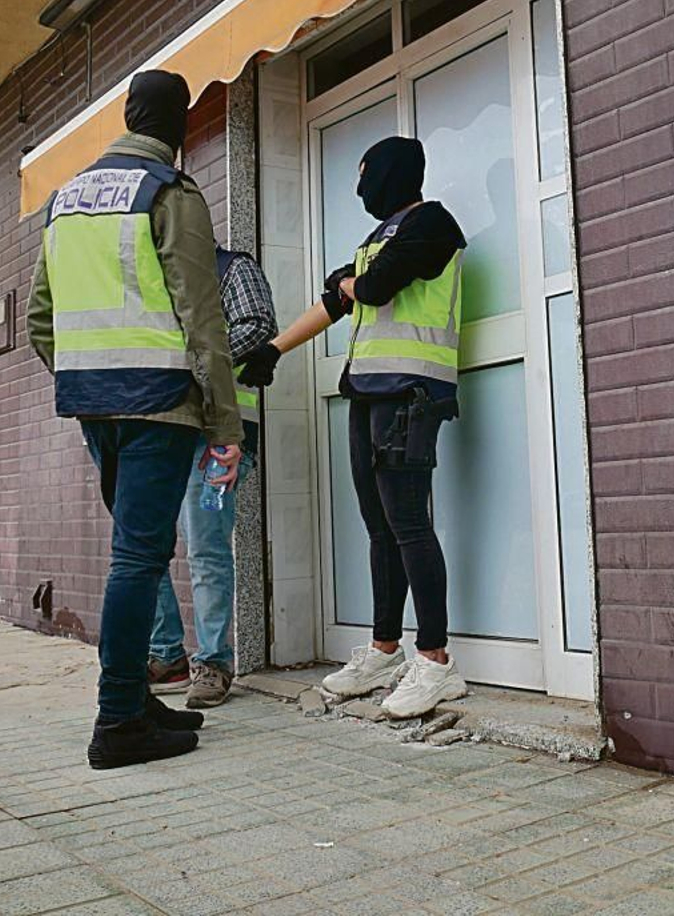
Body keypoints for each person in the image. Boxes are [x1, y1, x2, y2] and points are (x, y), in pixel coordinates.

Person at [27, 69, 243, 769]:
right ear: (177, 130)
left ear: (127, 116)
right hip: (160, 403)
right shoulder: (169, 193)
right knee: (138, 558)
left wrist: (89, 374)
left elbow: (39, 317)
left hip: (96, 406)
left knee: (137, 550)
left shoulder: (66, 198)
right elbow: (201, 313)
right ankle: (118, 718)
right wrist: (226, 424)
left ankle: (137, 699)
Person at [243, 136, 467, 718]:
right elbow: (336, 302)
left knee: (410, 525)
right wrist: (273, 348)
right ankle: (385, 650)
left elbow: (369, 289)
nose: (360, 190)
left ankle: (437, 661)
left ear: (391, 175)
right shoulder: (378, 238)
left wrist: (349, 283)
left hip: (412, 394)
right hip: (368, 394)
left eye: (366, 176)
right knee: (379, 529)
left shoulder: (433, 224)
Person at [147, 244, 275, 708]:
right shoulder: (152, 278)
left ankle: (214, 662)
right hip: (163, 431)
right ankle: (166, 655)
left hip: (218, 436)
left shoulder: (230, 268)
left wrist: (191, 359)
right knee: (146, 547)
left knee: (206, 548)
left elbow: (258, 327)